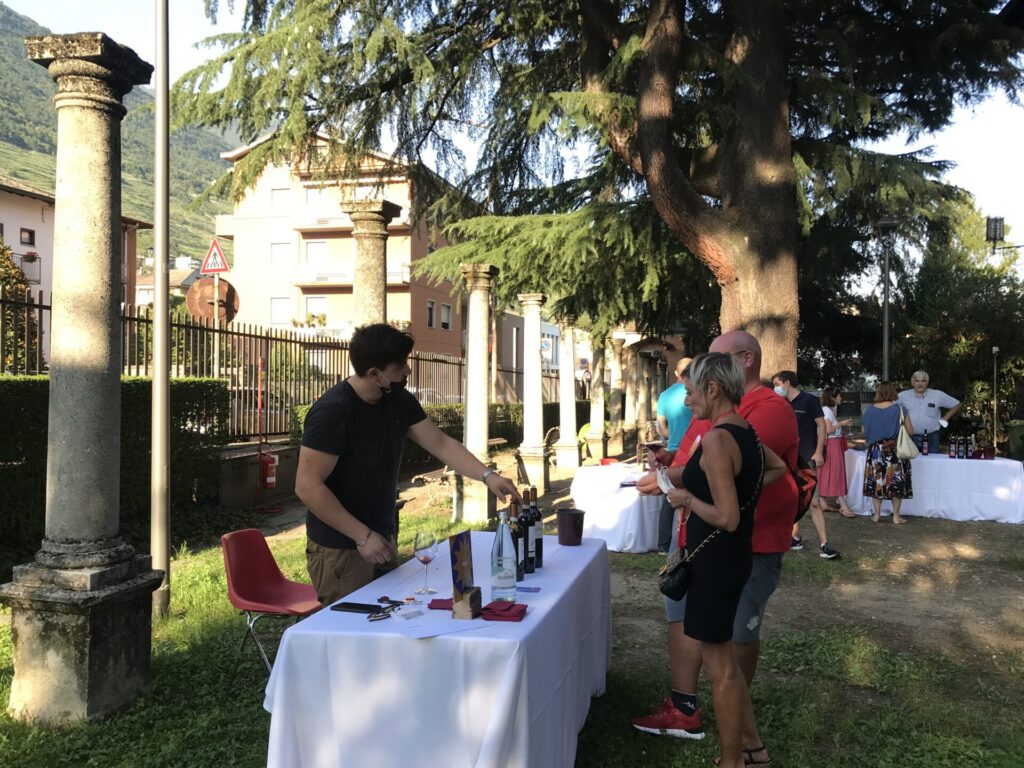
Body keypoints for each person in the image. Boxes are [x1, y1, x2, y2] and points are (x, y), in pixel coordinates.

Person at [632, 331, 797, 767]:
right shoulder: (741, 431)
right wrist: (745, 486)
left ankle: (731, 760)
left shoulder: (721, 438)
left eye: (689, 392)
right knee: (725, 664)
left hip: (716, 558)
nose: (687, 403)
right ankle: (753, 749)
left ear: (713, 389)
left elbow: (727, 518)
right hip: (732, 558)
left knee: (722, 669)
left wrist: (686, 499)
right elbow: (777, 466)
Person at [295, 323, 520, 605]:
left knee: (389, 628)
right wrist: (362, 536)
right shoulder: (333, 411)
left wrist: (488, 476)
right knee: (355, 638)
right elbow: (307, 486)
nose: (408, 371)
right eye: (400, 366)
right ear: (374, 374)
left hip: (381, 538)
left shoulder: (397, 400)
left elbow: (441, 444)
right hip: (341, 547)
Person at [772, 371, 841, 559]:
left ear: (787, 383)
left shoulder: (809, 400)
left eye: (777, 384)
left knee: (815, 501)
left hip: (807, 457)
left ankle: (824, 545)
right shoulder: (780, 403)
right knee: (792, 498)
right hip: (787, 458)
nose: (775, 388)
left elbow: (822, 426)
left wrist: (819, 451)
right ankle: (794, 538)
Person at [655, 356, 694, 552]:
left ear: (676, 373)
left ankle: (663, 544)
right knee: (687, 496)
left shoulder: (665, 395)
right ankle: (682, 543)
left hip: (671, 449)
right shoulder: (697, 393)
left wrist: (672, 437)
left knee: (669, 497)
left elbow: (661, 426)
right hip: (692, 450)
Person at [863, 380, 914, 525]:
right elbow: (910, 431)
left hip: (876, 452)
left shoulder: (869, 410)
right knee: (896, 482)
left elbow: (865, 432)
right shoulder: (900, 409)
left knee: (876, 482)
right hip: (895, 450)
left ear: (878, 393)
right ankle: (896, 516)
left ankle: (877, 515)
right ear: (893, 392)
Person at [898, 371, 960, 454]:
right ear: (912, 382)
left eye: (923, 381)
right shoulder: (903, 396)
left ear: (927, 383)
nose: (920, 384)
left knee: (932, 464)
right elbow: (890, 408)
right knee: (910, 465)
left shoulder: (937, 395)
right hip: (909, 438)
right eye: (917, 381)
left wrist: (945, 418)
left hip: (932, 438)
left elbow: (957, 404)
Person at [818, 387, 856, 517]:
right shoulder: (827, 411)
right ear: (833, 397)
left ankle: (822, 501)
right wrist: (842, 423)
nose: (841, 398)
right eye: (839, 396)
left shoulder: (827, 410)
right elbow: (828, 430)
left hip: (833, 443)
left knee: (827, 472)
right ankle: (843, 505)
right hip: (832, 444)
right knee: (836, 472)